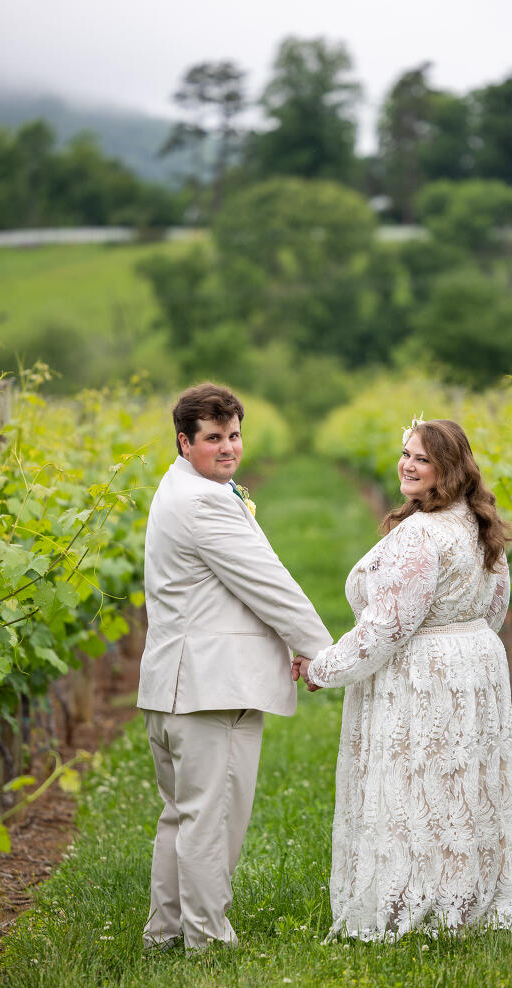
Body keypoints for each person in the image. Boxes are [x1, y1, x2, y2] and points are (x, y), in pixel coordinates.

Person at [293, 419, 512, 941]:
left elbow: (387, 626)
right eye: (405, 454)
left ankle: (410, 902)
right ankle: (458, 899)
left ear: (449, 468)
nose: (407, 465)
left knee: (415, 784)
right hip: (473, 668)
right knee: (457, 787)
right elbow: (494, 609)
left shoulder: (422, 533)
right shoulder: (476, 522)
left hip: (423, 673)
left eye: (421, 458)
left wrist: (322, 668)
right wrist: (463, 656)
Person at [138, 383, 332, 951]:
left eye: (235, 436)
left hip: (175, 685)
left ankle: (166, 933)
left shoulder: (180, 487)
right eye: (214, 438)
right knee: (212, 818)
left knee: (181, 815)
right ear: (184, 441)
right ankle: (207, 939)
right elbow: (268, 584)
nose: (229, 449)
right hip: (208, 690)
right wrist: (322, 653)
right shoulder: (202, 502)